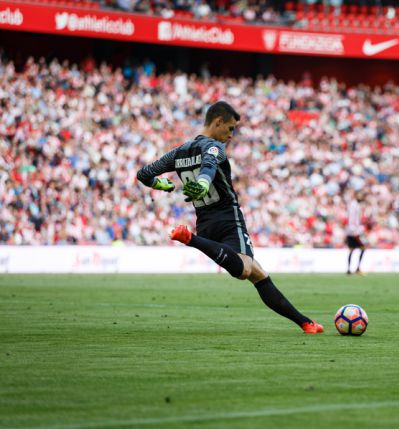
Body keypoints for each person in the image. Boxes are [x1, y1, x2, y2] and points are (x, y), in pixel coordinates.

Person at [136, 101, 324, 334]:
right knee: (245, 270)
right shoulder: (214, 147)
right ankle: (189, 239)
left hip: (205, 223)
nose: (231, 135)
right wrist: (204, 184)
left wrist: (160, 184)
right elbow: (209, 164)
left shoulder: (179, 152)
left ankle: (305, 323)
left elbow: (143, 174)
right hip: (228, 219)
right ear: (218, 121)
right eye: (231, 128)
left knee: (258, 275)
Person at [345, 191, 367, 275]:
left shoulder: (356, 205)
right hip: (353, 230)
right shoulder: (353, 205)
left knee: (352, 250)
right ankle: (355, 268)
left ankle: (350, 269)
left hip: (354, 230)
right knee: (360, 248)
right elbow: (351, 217)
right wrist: (353, 229)